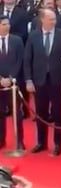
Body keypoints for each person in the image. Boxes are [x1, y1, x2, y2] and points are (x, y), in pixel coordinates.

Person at [24, 9, 61, 156]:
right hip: (39, 80)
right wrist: (28, 79)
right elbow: (27, 60)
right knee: (40, 113)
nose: (54, 22)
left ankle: (58, 144)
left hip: (57, 80)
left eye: (54, 19)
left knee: (58, 113)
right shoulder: (33, 36)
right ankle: (41, 142)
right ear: (42, 20)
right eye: (51, 19)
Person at [0, 15, 25, 150]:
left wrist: (10, 78)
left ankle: (19, 141)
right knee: (0, 113)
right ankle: (1, 140)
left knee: (17, 114)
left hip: (14, 84)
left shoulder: (17, 40)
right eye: (4, 24)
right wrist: (0, 80)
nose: (7, 26)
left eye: (8, 24)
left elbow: (20, 61)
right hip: (0, 84)